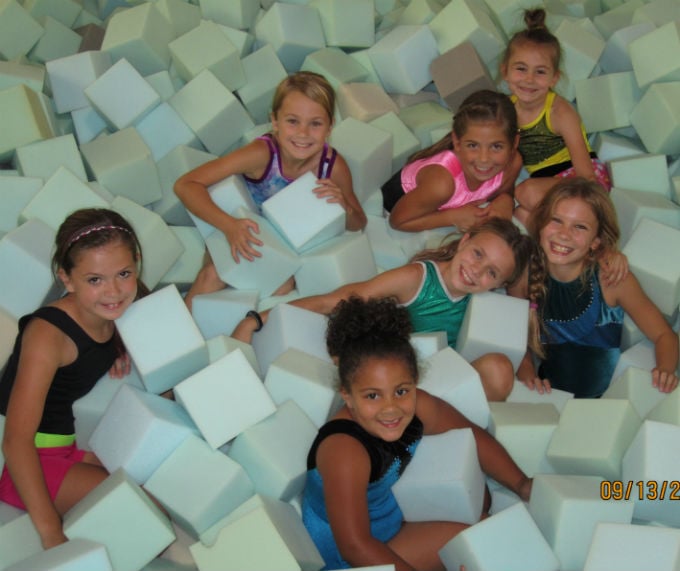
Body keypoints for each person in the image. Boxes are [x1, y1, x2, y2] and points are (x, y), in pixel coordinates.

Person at [301, 296, 532, 571]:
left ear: (414, 383)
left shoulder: (419, 406)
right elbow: (354, 546)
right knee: (475, 543)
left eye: (401, 391)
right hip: (349, 557)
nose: (390, 408)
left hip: (389, 525)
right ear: (347, 396)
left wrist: (521, 483)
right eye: (372, 395)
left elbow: (472, 435)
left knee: (483, 528)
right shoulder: (345, 450)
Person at [232, 218, 538, 402]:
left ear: (501, 283)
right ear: (465, 240)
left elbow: (512, 336)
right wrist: (256, 319)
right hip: (396, 380)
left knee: (500, 368)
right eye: (477, 254)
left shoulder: (486, 301)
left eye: (491, 272)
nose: (476, 271)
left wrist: (528, 372)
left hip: (443, 383)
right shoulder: (416, 279)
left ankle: (448, 433)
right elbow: (334, 300)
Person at [0, 208, 146, 549]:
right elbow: (16, 442)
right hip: (28, 463)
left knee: (153, 484)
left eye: (123, 274)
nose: (113, 291)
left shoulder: (127, 300)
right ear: (66, 279)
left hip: (67, 447)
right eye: (94, 280)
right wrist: (51, 531)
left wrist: (123, 344)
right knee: (142, 512)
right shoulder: (48, 336)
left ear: (136, 264)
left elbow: (167, 320)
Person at [174, 71, 367, 309]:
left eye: (315, 124)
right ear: (275, 121)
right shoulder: (262, 155)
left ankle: (234, 325)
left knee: (284, 286)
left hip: (286, 247)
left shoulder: (333, 167)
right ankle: (180, 327)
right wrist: (229, 226)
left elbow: (359, 222)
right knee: (213, 274)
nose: (303, 133)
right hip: (241, 231)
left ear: (329, 127)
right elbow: (185, 185)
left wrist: (344, 207)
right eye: (292, 121)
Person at [510, 178, 679, 398]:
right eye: (556, 220)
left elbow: (665, 335)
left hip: (606, 402)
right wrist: (527, 375)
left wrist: (665, 369)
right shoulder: (524, 275)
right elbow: (517, 338)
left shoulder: (612, 280)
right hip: (549, 399)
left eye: (579, 227)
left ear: (596, 241)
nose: (564, 234)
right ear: (541, 224)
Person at [501, 8, 611, 226]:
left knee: (525, 193)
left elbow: (586, 176)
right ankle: (560, 228)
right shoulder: (507, 109)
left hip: (584, 181)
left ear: (554, 78)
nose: (529, 79)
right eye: (521, 69)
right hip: (547, 183)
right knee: (519, 214)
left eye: (540, 72)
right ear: (505, 72)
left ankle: (584, 226)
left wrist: (590, 205)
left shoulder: (560, 112)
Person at [381, 90, 522, 233]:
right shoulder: (441, 184)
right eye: (473, 145)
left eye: (496, 146)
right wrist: (452, 217)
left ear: (514, 143)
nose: (484, 158)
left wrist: (506, 200)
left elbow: (505, 191)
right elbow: (397, 221)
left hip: (441, 206)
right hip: (402, 214)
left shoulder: (513, 163)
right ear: (457, 142)